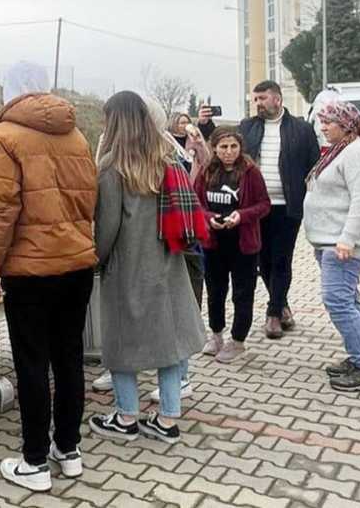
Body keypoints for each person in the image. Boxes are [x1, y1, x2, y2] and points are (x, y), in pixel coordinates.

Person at [0, 62, 98, 492]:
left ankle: (33, 461)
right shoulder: (76, 134)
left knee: (32, 362)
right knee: (68, 359)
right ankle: (68, 450)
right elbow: (90, 198)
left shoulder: (3, 136)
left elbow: (0, 209)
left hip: (30, 269)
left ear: (10, 92)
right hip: (76, 262)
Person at [88, 91, 207, 446]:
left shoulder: (112, 171)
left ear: (116, 123)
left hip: (128, 268)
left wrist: (96, 259)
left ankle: (126, 418)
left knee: (122, 346)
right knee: (168, 344)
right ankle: (167, 419)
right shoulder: (167, 159)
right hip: (168, 265)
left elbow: (106, 231)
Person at [198, 80, 320, 339]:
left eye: (262, 98)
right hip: (252, 208)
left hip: (287, 207)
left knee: (281, 259)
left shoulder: (302, 129)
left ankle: (274, 313)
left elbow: (314, 166)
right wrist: (206, 125)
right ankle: (282, 304)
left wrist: (312, 199)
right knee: (262, 261)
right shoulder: (249, 127)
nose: (258, 104)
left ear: (277, 98)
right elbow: (221, 143)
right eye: (255, 100)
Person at [304, 96, 360, 393]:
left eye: (329, 122)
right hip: (331, 241)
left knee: (337, 300)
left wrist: (347, 239)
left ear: (346, 124)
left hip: (342, 244)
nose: (323, 127)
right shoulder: (342, 150)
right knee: (348, 299)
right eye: (322, 121)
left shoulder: (357, 153)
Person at [194, 126, 270, 363]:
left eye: (233, 147)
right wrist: (208, 219)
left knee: (242, 293)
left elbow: (264, 204)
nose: (229, 152)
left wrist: (241, 215)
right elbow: (195, 203)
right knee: (215, 292)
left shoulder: (250, 172)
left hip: (243, 244)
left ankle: (238, 340)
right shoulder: (206, 171)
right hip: (214, 243)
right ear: (214, 148)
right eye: (223, 147)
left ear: (240, 147)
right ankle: (216, 334)